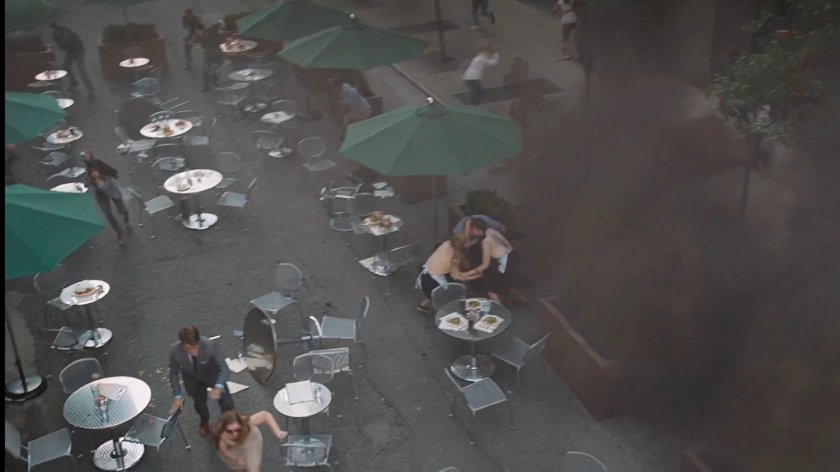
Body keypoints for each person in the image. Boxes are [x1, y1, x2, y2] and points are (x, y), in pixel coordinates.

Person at [169, 325, 234, 438]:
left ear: (199, 341)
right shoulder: (175, 351)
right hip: (192, 379)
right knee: (200, 406)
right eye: (188, 349)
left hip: (211, 374)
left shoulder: (209, 345)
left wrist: (218, 387)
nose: (193, 352)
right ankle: (204, 421)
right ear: (182, 344)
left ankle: (229, 423)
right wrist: (177, 396)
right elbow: (173, 373)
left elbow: (224, 368)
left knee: (227, 403)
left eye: (195, 347)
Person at [416, 235, 482, 313]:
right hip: (433, 281)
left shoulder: (447, 244)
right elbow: (457, 276)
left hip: (426, 275)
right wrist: (473, 277)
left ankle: (423, 305)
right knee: (451, 294)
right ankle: (452, 313)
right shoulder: (454, 260)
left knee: (432, 293)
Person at [213, 410, 288, 472]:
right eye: (230, 431)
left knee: (253, 468)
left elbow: (265, 415)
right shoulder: (221, 436)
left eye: (237, 430)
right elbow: (224, 451)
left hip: (250, 440)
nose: (234, 433)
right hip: (234, 448)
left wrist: (278, 432)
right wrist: (236, 458)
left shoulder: (246, 422)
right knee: (239, 467)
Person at [83, 150, 129, 245]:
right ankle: (120, 233)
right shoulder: (88, 170)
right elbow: (86, 182)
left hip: (111, 189)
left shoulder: (102, 169)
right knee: (108, 213)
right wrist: (88, 182)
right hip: (100, 194)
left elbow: (105, 187)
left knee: (122, 209)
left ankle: (125, 215)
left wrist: (98, 180)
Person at [50, 22, 94, 96]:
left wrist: (61, 42)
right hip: (71, 52)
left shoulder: (69, 34)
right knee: (66, 67)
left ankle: (90, 89)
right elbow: (62, 47)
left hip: (79, 51)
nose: (55, 32)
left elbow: (65, 46)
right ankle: (73, 82)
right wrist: (59, 43)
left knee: (82, 71)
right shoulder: (56, 35)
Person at [198, 20, 226, 92]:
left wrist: (220, 25)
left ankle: (214, 82)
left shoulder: (211, 31)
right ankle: (206, 87)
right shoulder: (202, 35)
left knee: (212, 69)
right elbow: (203, 45)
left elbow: (217, 25)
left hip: (216, 55)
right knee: (205, 71)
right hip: (209, 55)